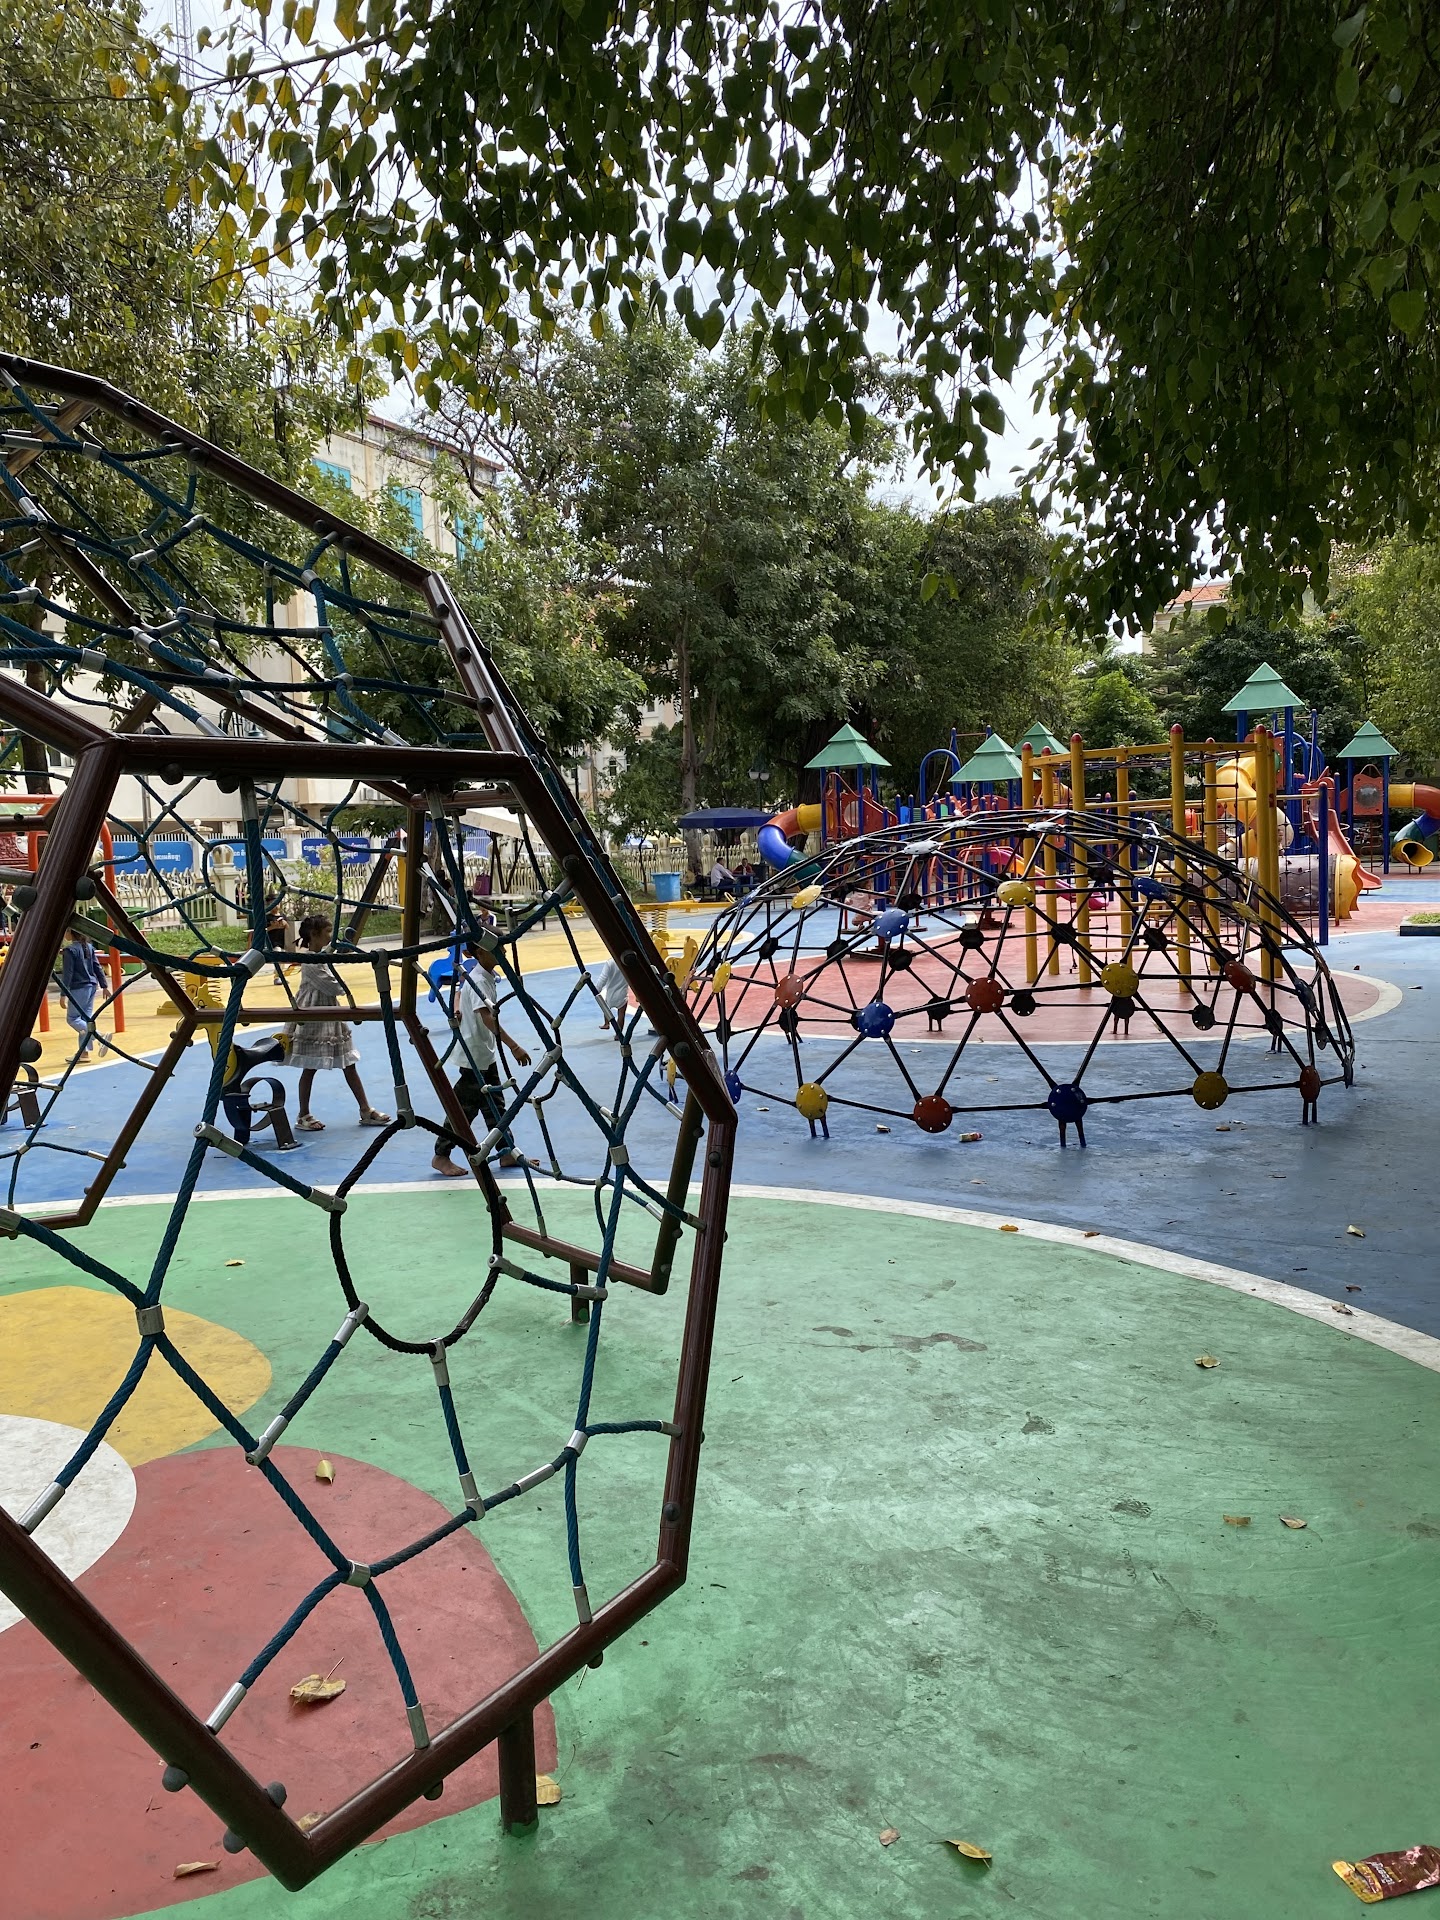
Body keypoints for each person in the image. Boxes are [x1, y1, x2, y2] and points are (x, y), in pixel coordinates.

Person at [431, 943, 534, 1176]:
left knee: (495, 1105)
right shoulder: (479, 980)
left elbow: (461, 993)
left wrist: (458, 1008)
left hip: (483, 1054)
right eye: (495, 949)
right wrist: (514, 1046)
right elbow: (486, 1017)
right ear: (479, 953)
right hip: (474, 1057)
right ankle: (441, 1155)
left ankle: (506, 1151)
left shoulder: (483, 976)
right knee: (464, 1109)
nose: (503, 952)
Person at [284, 913, 390, 1131]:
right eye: (327, 932)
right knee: (310, 1067)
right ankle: (303, 1114)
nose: (330, 936)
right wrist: (341, 983)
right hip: (314, 1016)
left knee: (349, 1064)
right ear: (314, 935)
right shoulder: (310, 961)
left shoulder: (320, 957)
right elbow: (332, 986)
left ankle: (365, 1109)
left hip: (331, 1014)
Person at [58, 927, 108, 1063]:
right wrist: (104, 985)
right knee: (85, 1020)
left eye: (66, 931)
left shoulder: (70, 950)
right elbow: (97, 967)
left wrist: (63, 994)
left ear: (71, 932)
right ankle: (84, 1053)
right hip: (91, 986)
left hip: (78, 987)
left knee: (73, 1019)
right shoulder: (89, 947)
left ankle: (100, 1037)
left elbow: (68, 973)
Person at [595, 957, 630, 1033]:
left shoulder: (610, 963)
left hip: (611, 993)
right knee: (621, 1014)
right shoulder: (627, 961)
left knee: (606, 1008)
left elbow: (603, 978)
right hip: (622, 993)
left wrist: (597, 989)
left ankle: (606, 1023)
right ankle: (618, 1034)